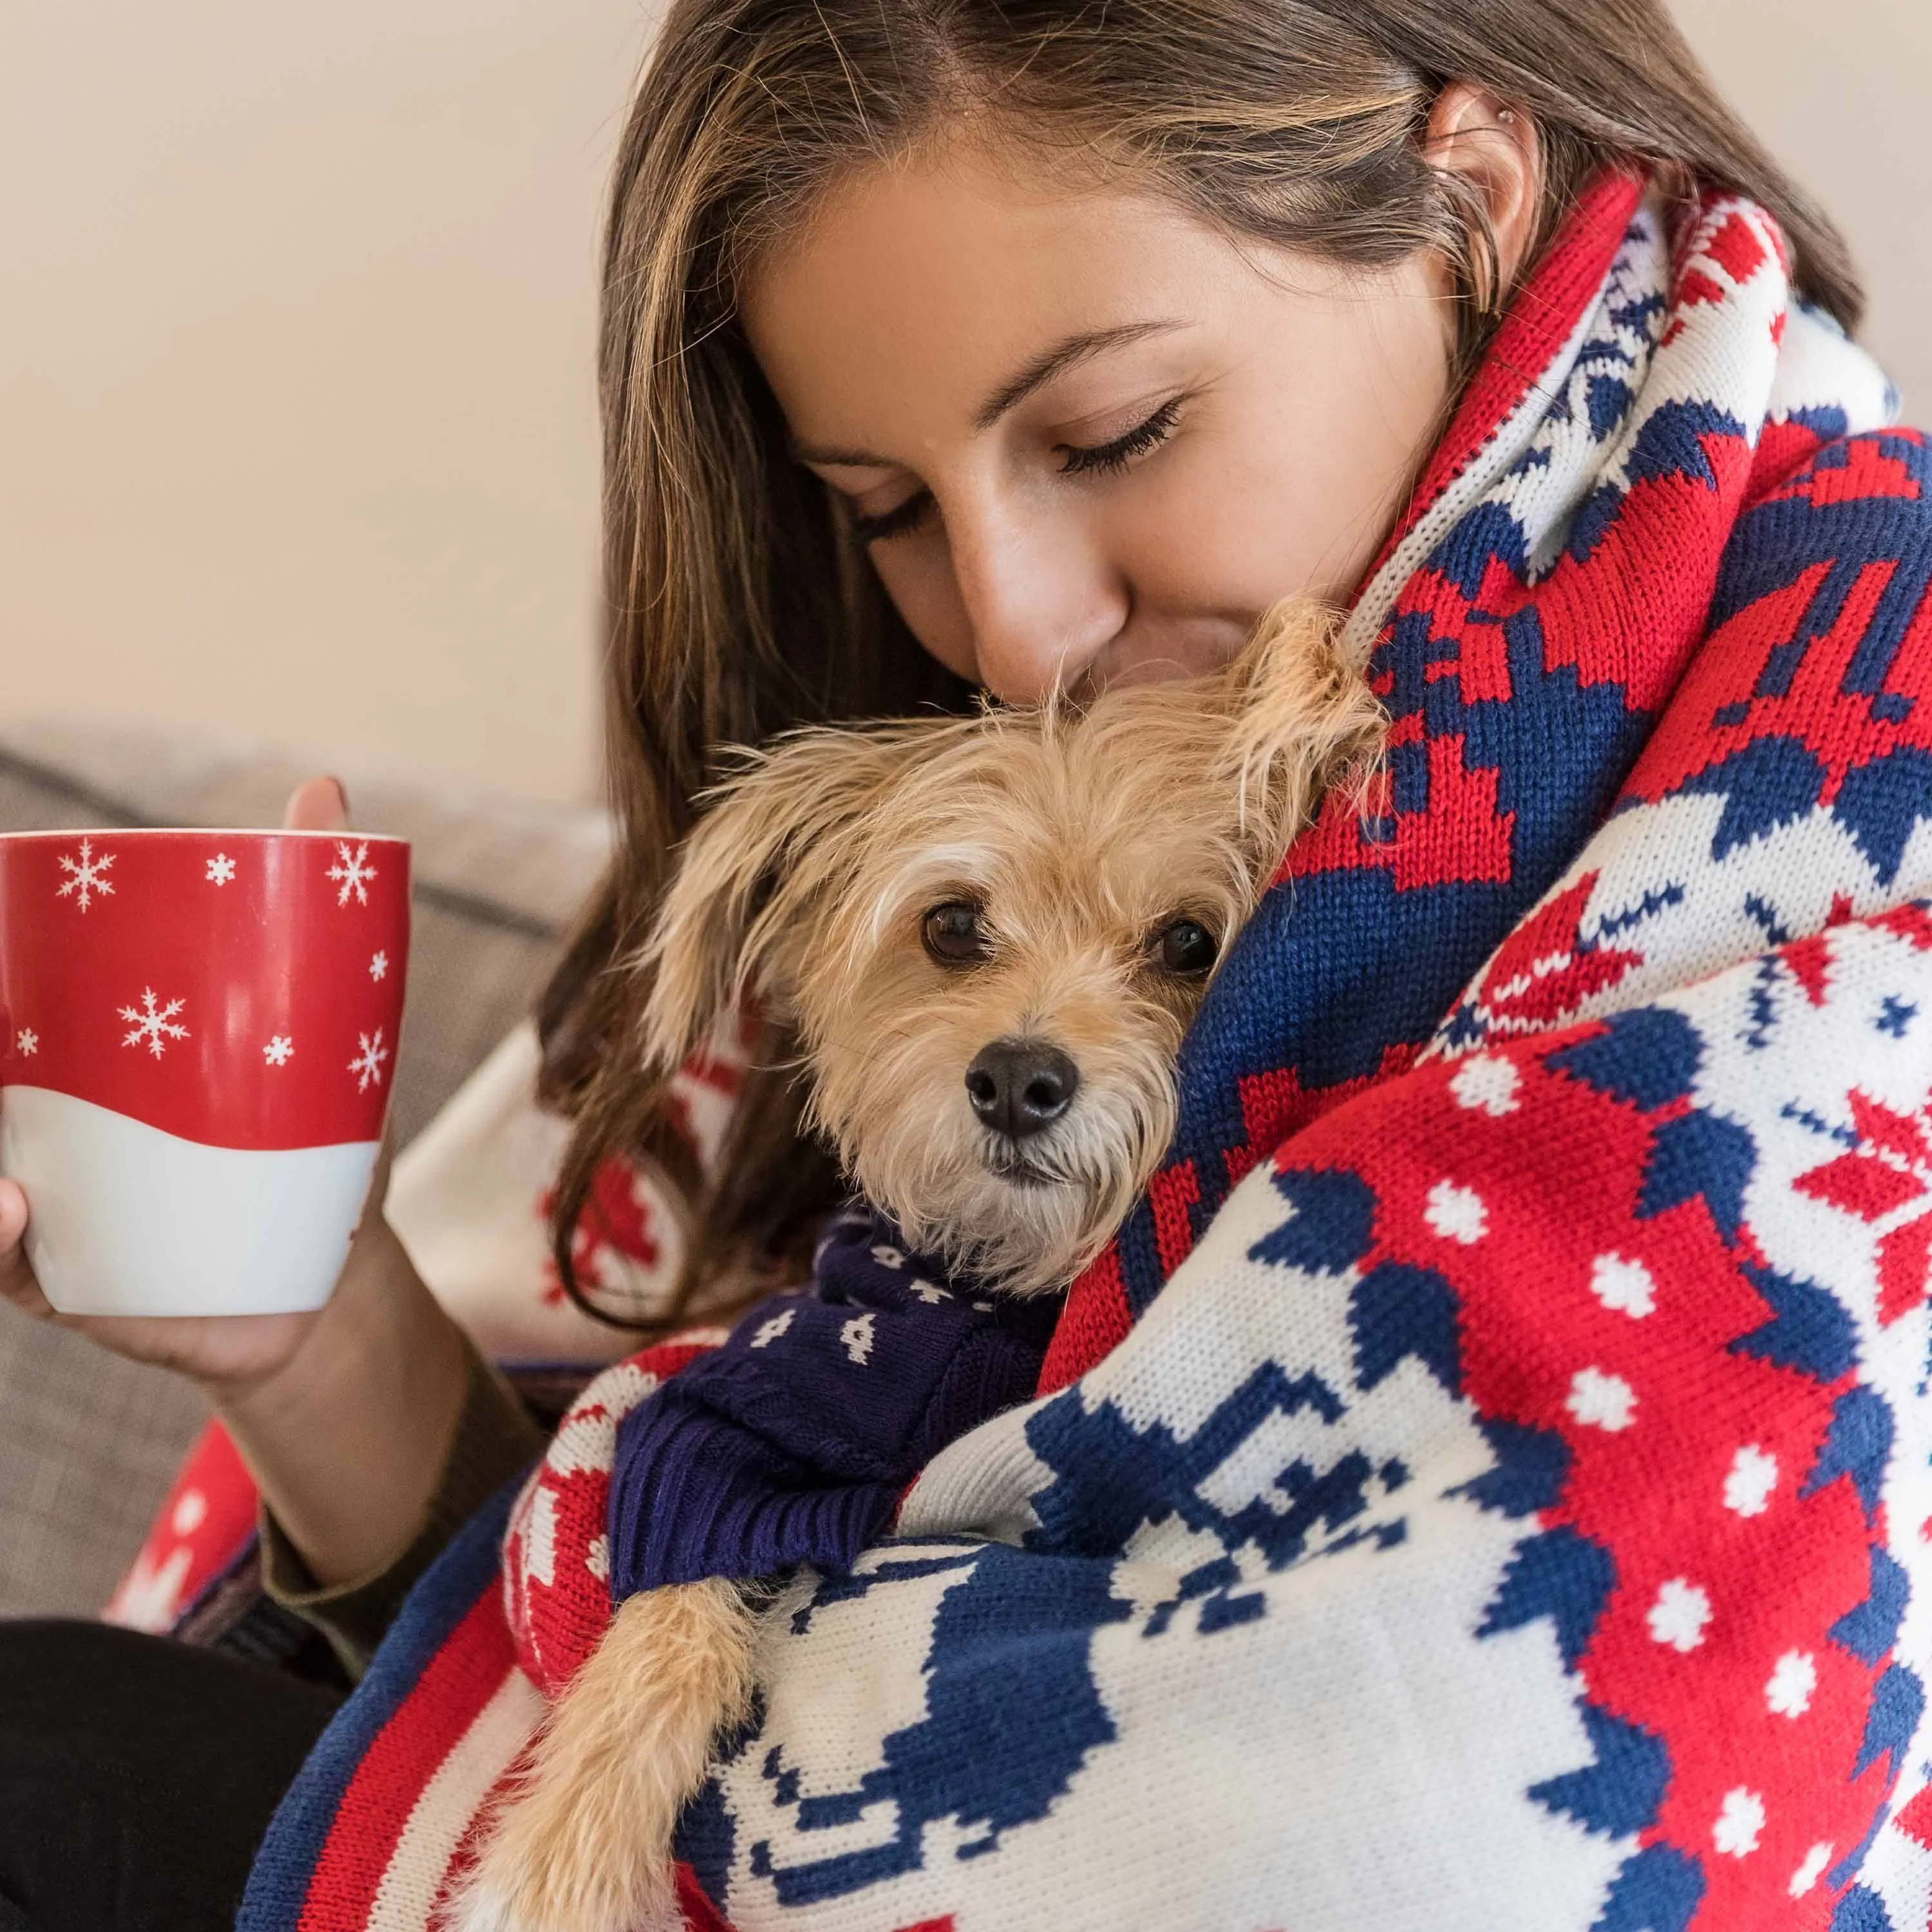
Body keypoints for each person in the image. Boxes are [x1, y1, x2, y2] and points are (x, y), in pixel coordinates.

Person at [0, 2, 1910, 1926]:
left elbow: (1429, 1803)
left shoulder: (1851, 765)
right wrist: (319, 1335)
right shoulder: (890, 815)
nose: (1014, 630)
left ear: (1467, 203)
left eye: (1113, 432)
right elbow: (654, 1543)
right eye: (886, 509)